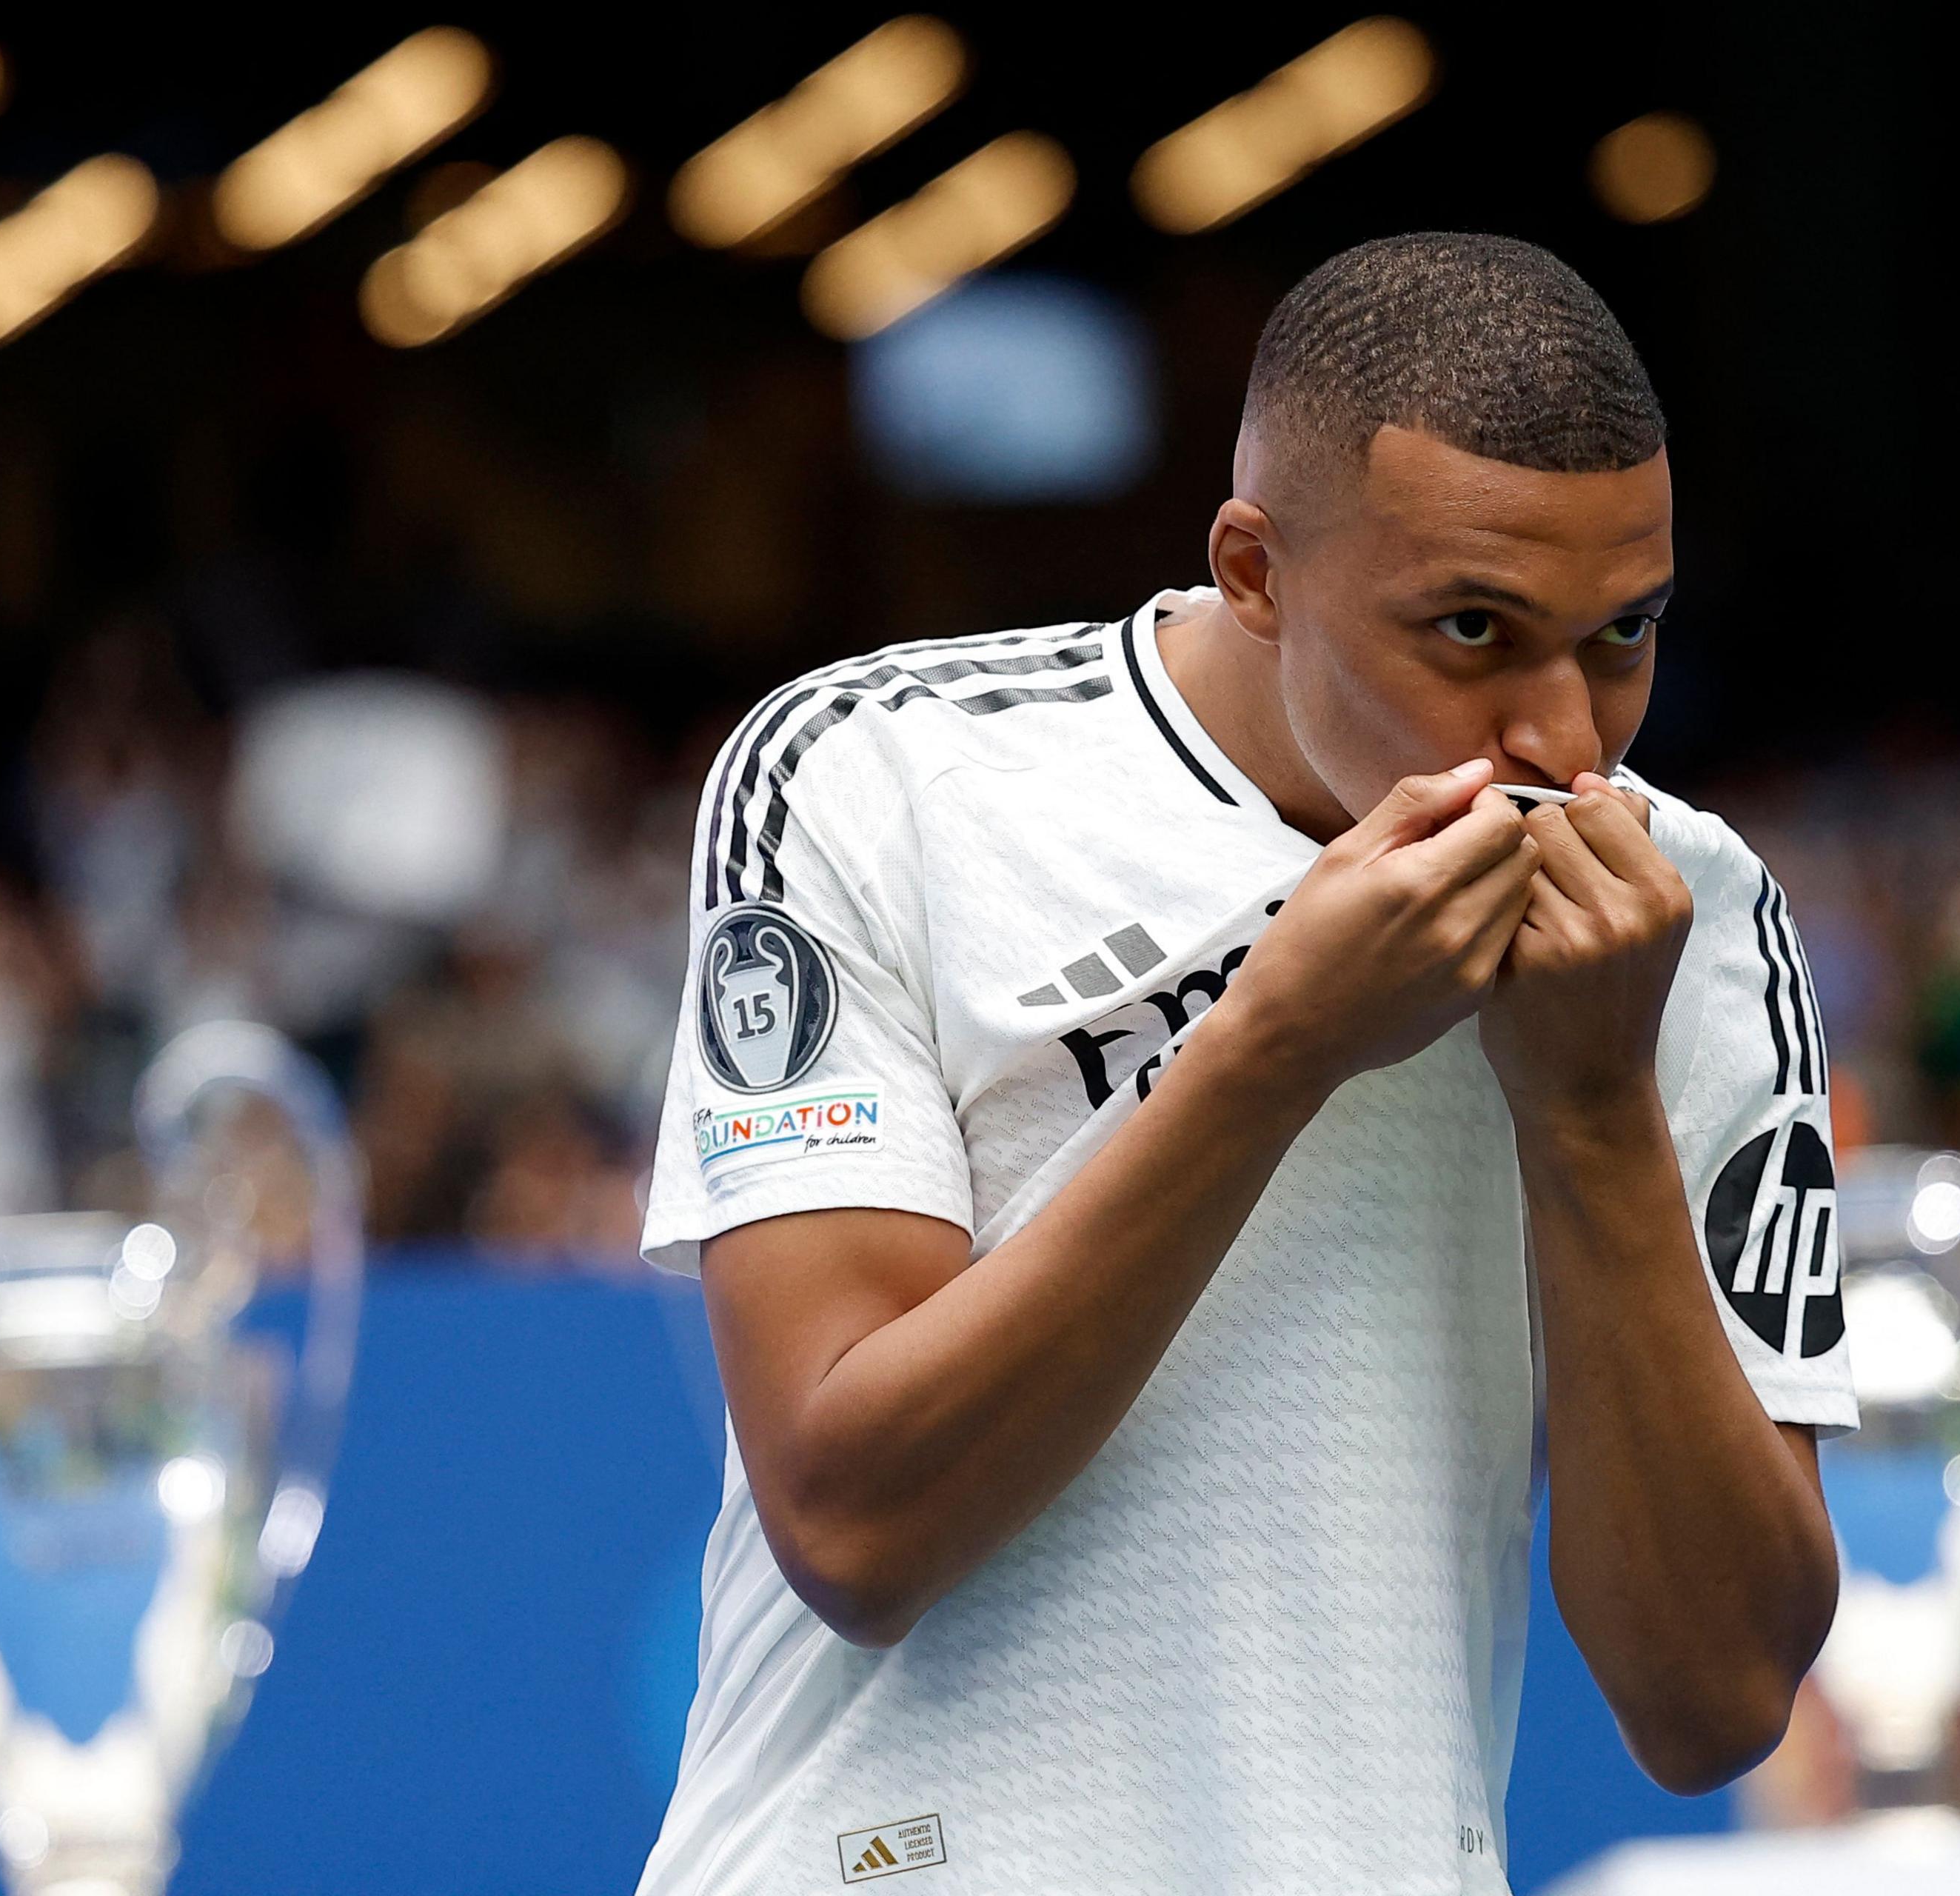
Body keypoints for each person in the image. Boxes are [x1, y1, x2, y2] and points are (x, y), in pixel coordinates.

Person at [635, 232, 1853, 1895]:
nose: (1563, 737)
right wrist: (1277, 1041)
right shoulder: (872, 774)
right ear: (1256, 569)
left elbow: (1713, 1702)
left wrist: (1588, 1105)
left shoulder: (1690, 916)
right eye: (1475, 628)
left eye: (1623, 633)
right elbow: (855, 1521)